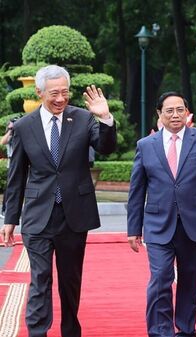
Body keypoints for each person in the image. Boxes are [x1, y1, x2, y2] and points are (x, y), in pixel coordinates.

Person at [1, 64, 117, 337]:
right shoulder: (23, 126)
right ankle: (37, 332)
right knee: (40, 279)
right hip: (37, 216)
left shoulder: (83, 119)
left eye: (65, 92)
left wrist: (106, 118)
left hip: (73, 216)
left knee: (70, 281)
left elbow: (106, 148)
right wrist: (10, 219)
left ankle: (69, 331)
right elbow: (16, 176)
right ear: (39, 92)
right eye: (54, 93)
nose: (61, 99)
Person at [127, 92, 196, 337]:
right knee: (160, 279)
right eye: (169, 110)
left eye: (180, 109)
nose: (175, 115)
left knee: (190, 280)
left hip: (195, 223)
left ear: (187, 113)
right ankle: (160, 331)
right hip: (159, 224)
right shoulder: (146, 146)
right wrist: (133, 229)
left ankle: (186, 330)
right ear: (159, 114)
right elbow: (137, 190)